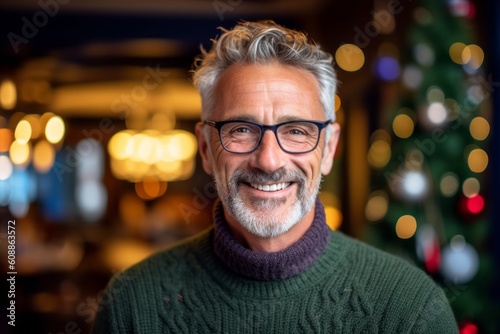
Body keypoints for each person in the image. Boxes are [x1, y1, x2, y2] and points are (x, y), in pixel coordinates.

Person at [93, 20, 458, 333]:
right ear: (205, 148)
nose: (268, 160)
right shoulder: (132, 304)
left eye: (297, 131)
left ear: (329, 148)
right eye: (241, 129)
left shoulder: (410, 310)